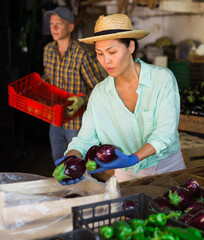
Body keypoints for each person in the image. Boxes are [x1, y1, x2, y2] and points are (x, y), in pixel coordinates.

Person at [55, 13, 186, 184]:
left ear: (131, 46)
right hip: (126, 173)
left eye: (112, 52)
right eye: (99, 53)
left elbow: (165, 133)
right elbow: (85, 139)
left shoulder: (161, 79)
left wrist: (134, 157)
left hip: (168, 168)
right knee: (130, 211)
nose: (106, 61)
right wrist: (72, 159)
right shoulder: (99, 94)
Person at [42, 6, 106, 162]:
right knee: (58, 159)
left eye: (59, 24)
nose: (54, 28)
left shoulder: (82, 55)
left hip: (76, 123)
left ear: (70, 27)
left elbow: (101, 88)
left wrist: (82, 100)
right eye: (51, 24)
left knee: (77, 163)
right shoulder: (48, 50)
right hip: (54, 118)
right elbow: (48, 78)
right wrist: (39, 84)